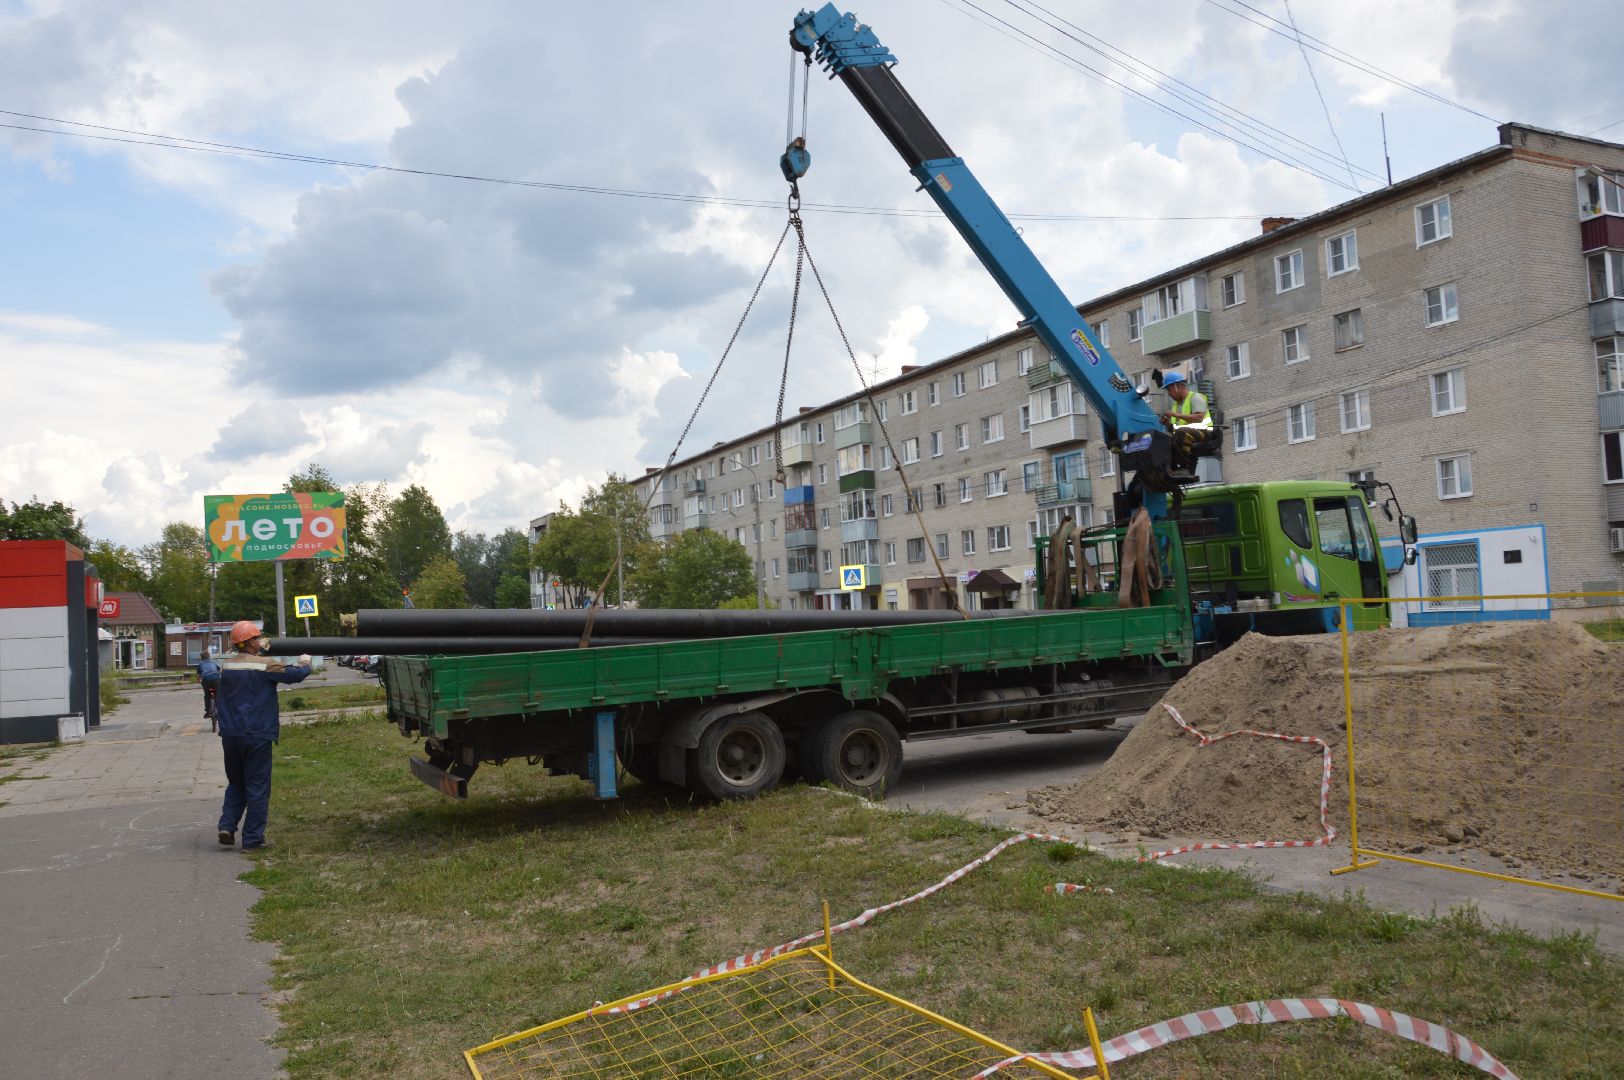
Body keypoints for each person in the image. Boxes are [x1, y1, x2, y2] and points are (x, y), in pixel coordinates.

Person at [214, 620, 311, 851]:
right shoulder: (264, 665)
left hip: (231, 735)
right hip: (256, 733)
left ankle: (227, 826)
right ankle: (252, 839)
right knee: (257, 786)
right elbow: (295, 675)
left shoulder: (227, 666)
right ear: (248, 642)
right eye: (256, 638)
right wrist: (305, 661)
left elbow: (245, 668)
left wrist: (262, 650)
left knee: (236, 783)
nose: (259, 641)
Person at [1156, 370, 1213, 461]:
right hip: (1185, 434)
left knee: (1182, 432)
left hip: (1203, 433)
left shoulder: (1195, 397)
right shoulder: (1176, 406)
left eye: (1169, 390)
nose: (1169, 394)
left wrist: (1175, 414)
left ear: (1178, 386)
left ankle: (1183, 461)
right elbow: (1176, 428)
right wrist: (1168, 423)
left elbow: (1199, 418)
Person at [196, 649, 222, 729]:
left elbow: (198, 675)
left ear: (201, 658)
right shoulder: (213, 662)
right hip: (216, 679)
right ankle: (220, 710)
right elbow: (220, 670)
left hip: (206, 680)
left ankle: (208, 711)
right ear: (209, 657)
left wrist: (199, 680)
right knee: (218, 694)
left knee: (207, 695)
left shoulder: (200, 664)